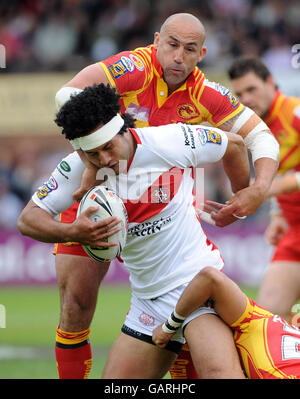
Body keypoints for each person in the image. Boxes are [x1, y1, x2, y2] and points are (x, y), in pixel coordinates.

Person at [52, 14, 279, 379]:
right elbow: (67, 96)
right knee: (77, 305)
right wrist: (93, 167)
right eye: (171, 44)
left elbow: (260, 138)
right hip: (101, 201)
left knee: (183, 303)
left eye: (190, 49)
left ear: (202, 53)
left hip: (161, 215)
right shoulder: (132, 69)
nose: (178, 56)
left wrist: (257, 188)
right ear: (157, 41)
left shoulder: (206, 93)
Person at [18, 83, 250, 378]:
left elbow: (235, 144)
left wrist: (239, 201)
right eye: (92, 154)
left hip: (198, 290)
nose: (104, 160)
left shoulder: (172, 140)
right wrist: (73, 232)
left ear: (123, 129)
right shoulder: (74, 168)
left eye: (107, 147)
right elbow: (28, 220)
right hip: (148, 304)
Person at [228, 57, 300, 323]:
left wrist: (269, 189)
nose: (246, 99)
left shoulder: (294, 113)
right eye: (239, 93)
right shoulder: (256, 129)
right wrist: (278, 215)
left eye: (252, 89)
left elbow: (275, 181)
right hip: (294, 233)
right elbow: (279, 171)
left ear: (270, 83)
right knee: (269, 320)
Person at [152, 266, 300, 379]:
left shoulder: (260, 321)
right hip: (168, 296)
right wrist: (169, 326)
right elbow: (210, 277)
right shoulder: (256, 323)